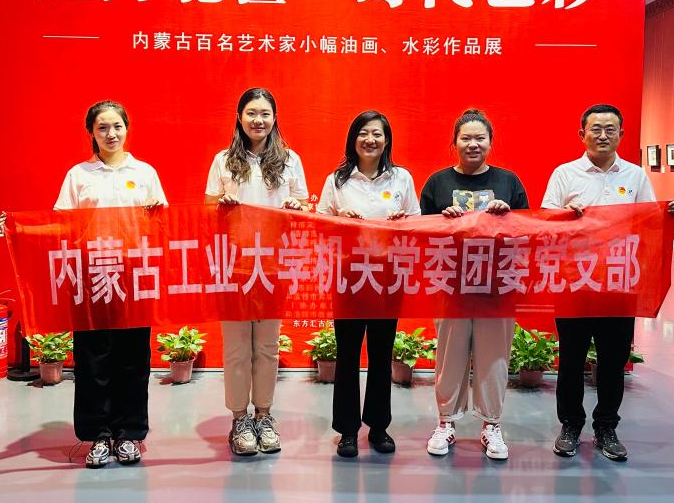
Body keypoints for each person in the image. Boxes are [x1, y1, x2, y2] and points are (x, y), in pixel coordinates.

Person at [0, 100, 166, 468]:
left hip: (134, 276)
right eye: (102, 127)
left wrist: (156, 215)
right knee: (93, 357)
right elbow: (61, 224)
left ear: (127, 128)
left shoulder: (145, 173)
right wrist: (18, 228)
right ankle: (98, 435)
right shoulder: (79, 175)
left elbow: (163, 225)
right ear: (91, 132)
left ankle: (129, 433)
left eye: (117, 126)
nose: (111, 134)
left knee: (134, 358)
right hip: (91, 275)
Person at [542, 103, 674, 462]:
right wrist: (564, 216)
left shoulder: (635, 176)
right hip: (575, 283)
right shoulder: (565, 174)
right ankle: (570, 425)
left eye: (610, 129)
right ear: (582, 134)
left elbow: (649, 220)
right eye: (596, 129)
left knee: (612, 360)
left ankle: (606, 426)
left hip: (620, 283)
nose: (603, 135)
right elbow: (545, 219)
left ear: (621, 134)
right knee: (571, 359)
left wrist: (670, 213)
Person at [419, 109, 529, 460]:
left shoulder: (509, 181)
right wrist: (443, 221)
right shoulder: (437, 183)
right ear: (454, 143)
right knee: (449, 356)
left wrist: (508, 216)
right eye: (465, 138)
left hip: (497, 286)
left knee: (494, 357)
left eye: (480, 138)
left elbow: (528, 230)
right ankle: (446, 422)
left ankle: (491, 425)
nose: (473, 144)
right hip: (450, 284)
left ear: (490, 143)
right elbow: (419, 234)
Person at [205, 87, 308, 456]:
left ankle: (264, 415)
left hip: (273, 265)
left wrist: (297, 205)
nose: (258, 120)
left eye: (265, 113)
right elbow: (207, 209)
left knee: (266, 346)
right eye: (251, 113)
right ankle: (239, 418)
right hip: (234, 265)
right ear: (239, 117)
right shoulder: (223, 160)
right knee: (236, 348)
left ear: (274, 118)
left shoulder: (290, 160)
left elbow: (304, 206)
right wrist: (221, 205)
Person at [316, 110, 420, 458]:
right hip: (349, 277)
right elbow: (320, 225)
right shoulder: (337, 180)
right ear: (353, 139)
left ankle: (378, 426)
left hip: (388, 278)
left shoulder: (401, 178)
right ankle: (347, 430)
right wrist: (338, 219)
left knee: (380, 353)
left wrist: (402, 222)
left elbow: (418, 224)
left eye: (377, 133)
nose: (370, 139)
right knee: (347, 354)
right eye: (363, 133)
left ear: (386, 140)